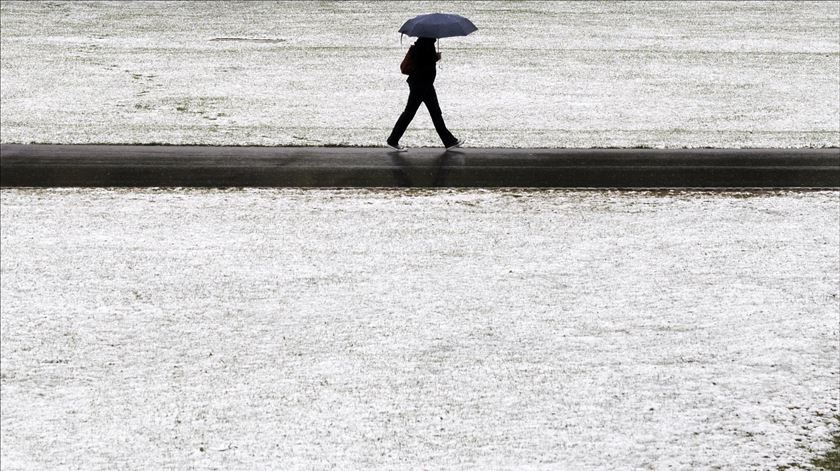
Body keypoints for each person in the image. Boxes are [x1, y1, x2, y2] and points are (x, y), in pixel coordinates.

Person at [387, 37, 462, 152]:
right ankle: (392, 140)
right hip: (421, 84)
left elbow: (423, 62)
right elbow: (424, 64)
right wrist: (435, 57)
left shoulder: (423, 44)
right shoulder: (425, 45)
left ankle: (449, 141)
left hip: (424, 84)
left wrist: (434, 57)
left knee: (434, 112)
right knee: (412, 113)